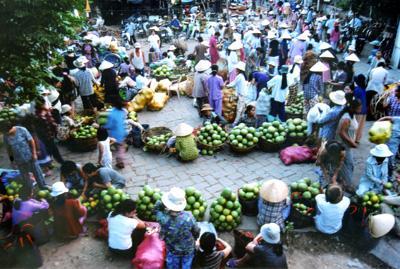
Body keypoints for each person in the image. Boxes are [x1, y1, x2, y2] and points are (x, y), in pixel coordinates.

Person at [155, 187, 200, 269]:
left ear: (168, 203)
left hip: (172, 249)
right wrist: (195, 238)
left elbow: (156, 208)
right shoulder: (189, 216)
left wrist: (163, 201)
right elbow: (196, 230)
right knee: (186, 264)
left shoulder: (163, 218)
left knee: (172, 264)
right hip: (188, 248)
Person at [1, 121, 47, 189]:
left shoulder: (22, 130)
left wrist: (34, 153)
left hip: (30, 157)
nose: (6, 134)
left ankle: (43, 187)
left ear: (10, 128)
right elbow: (9, 150)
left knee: (37, 173)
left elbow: (31, 141)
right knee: (25, 177)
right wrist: (12, 161)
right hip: (19, 161)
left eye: (7, 132)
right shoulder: (6, 136)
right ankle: (30, 191)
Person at [335, 98, 362, 191]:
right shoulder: (346, 118)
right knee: (348, 165)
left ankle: (341, 181)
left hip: (347, 146)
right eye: (359, 108)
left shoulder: (352, 115)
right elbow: (341, 133)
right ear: (353, 108)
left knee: (345, 164)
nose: (360, 110)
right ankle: (348, 185)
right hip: (343, 145)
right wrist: (352, 142)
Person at [34, 98, 64, 164]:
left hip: (48, 135)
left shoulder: (43, 112)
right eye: (44, 103)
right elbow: (48, 123)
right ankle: (58, 162)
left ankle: (50, 162)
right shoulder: (40, 115)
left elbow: (51, 122)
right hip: (46, 135)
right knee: (53, 149)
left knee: (51, 149)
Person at [104, 98, 128, 169]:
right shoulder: (123, 111)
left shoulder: (112, 113)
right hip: (122, 132)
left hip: (113, 134)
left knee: (118, 147)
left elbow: (109, 125)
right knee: (120, 147)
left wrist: (103, 126)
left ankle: (120, 162)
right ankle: (120, 160)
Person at [353, 74, 367, 143]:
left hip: (358, 109)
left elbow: (355, 100)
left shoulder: (357, 89)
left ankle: (353, 138)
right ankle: (357, 139)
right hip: (364, 109)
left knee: (355, 125)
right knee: (361, 125)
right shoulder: (364, 88)